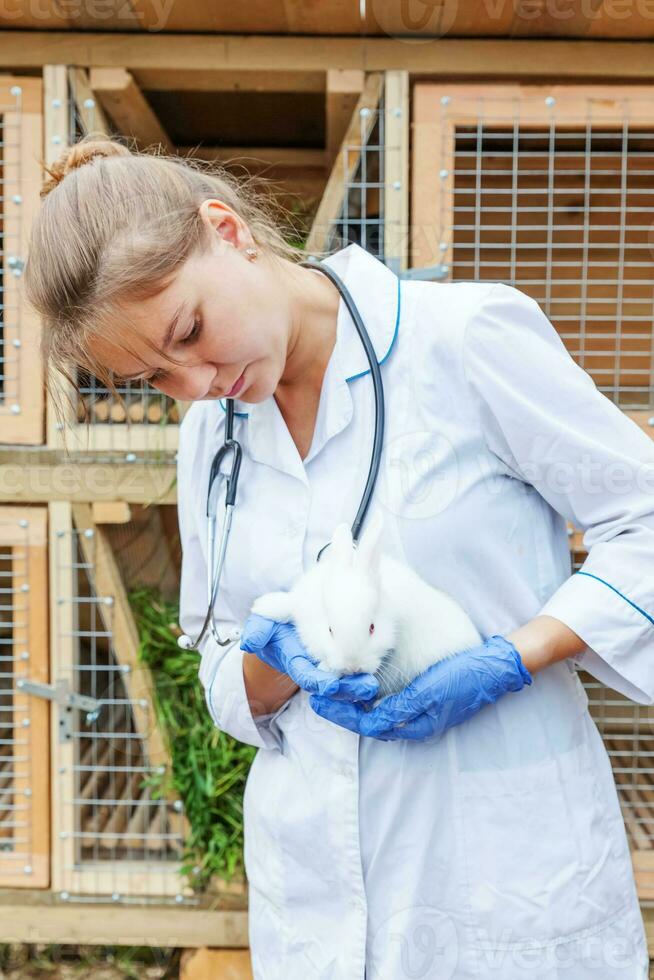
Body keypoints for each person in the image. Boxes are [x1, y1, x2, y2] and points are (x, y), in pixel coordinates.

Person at [26, 137, 653, 980]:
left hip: (504, 875)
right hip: (315, 893)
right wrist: (268, 665)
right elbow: (213, 649)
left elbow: (644, 519)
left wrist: (517, 655)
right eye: (153, 378)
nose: (197, 382)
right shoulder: (212, 435)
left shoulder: (462, 341)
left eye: (191, 330)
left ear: (227, 230)